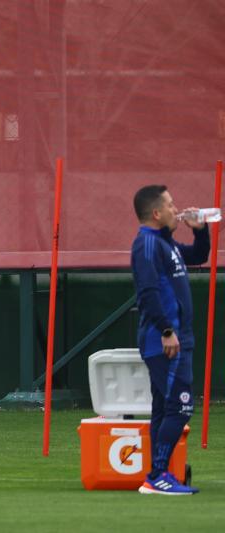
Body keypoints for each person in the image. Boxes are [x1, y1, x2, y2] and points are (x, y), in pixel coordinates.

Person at [131, 185, 208, 495]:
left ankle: (157, 476)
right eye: (171, 205)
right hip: (165, 341)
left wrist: (201, 232)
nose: (177, 210)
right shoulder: (146, 245)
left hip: (176, 339)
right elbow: (147, 293)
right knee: (180, 406)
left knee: (164, 408)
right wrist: (166, 330)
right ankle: (157, 476)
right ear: (156, 213)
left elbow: (199, 256)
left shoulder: (166, 244)